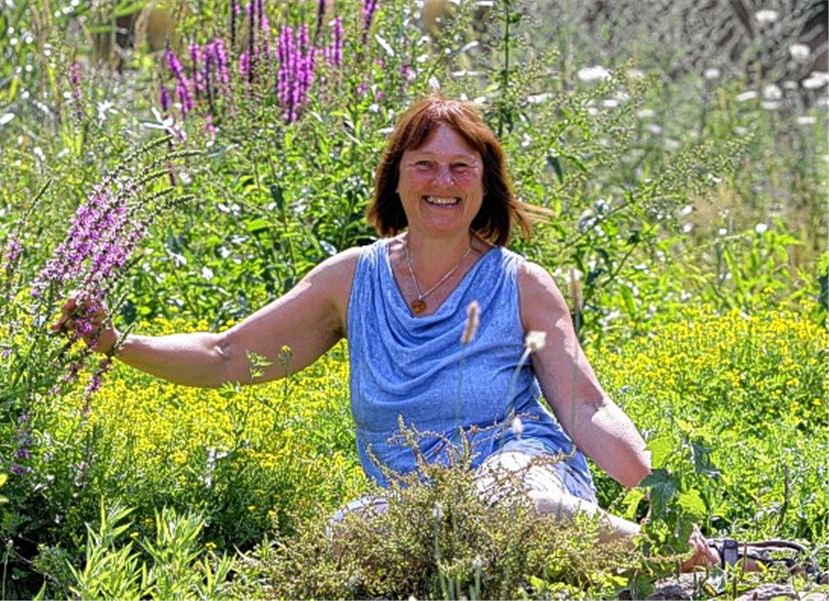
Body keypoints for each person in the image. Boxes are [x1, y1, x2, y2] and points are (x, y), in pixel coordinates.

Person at [53, 96, 719, 570]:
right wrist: (117, 342)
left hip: (523, 475)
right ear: (396, 177)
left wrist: (661, 499)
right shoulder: (350, 281)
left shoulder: (521, 283)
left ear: (484, 184)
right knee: (340, 539)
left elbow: (586, 405)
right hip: (414, 501)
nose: (442, 181)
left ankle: (666, 555)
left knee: (502, 503)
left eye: (461, 167)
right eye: (424, 164)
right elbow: (228, 354)